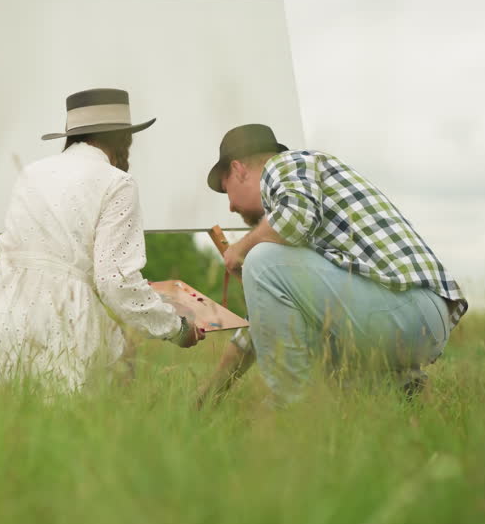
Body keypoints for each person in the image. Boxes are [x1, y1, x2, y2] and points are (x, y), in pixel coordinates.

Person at [0, 88, 204, 396]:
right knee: (57, 426)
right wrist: (177, 328)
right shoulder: (118, 182)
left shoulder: (31, 172)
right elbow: (114, 282)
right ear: (122, 140)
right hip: (63, 318)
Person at [196, 124, 466, 407]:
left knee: (261, 259)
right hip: (414, 317)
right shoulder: (298, 219)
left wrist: (241, 249)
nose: (230, 207)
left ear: (239, 170)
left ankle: (291, 410)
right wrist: (207, 395)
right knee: (299, 323)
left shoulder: (286, 165)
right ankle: (396, 386)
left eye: (227, 191)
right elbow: (263, 325)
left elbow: (293, 221)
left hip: (407, 306)